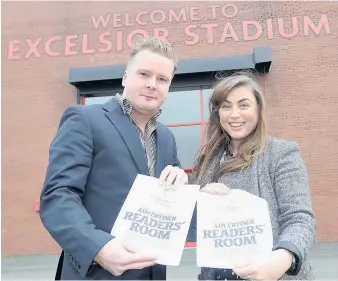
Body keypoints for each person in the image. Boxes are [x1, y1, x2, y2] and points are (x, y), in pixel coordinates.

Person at [39, 37, 188, 280]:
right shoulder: (85, 119)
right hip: (97, 273)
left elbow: (173, 196)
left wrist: (181, 179)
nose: (153, 84)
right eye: (144, 74)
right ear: (125, 77)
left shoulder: (166, 137)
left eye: (162, 79)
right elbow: (58, 195)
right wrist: (99, 248)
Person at [193, 73, 316, 280]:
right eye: (226, 106)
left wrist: (283, 256)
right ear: (218, 113)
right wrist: (198, 202)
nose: (234, 114)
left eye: (243, 105)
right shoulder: (208, 160)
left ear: (258, 109)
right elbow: (197, 231)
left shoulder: (281, 154)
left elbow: (300, 219)